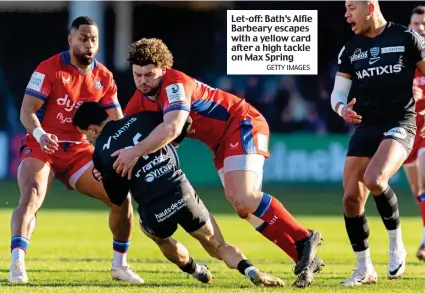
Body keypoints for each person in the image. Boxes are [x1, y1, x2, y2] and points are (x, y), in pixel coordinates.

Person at [97, 37, 324, 288]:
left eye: (149, 74)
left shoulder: (175, 83)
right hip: (219, 144)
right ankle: (303, 255)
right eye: (137, 75)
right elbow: (127, 141)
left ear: (164, 69)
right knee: (242, 207)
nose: (142, 81)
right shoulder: (137, 103)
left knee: (245, 197)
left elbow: (173, 127)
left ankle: (305, 238)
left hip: (241, 123)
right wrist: (105, 168)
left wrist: (134, 152)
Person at [72, 101, 286, 287]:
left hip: (154, 207)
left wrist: (104, 176)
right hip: (181, 190)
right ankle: (250, 270)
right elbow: (184, 122)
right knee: (218, 245)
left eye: (86, 135)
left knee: (158, 236)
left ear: (92, 129)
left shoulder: (100, 151)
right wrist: (171, 146)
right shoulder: (143, 118)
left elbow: (117, 198)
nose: (89, 139)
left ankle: (195, 270)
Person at [9, 16, 143, 283]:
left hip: (79, 151)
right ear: (70, 40)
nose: (89, 44)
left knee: (120, 198)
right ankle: (17, 263)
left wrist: (132, 147)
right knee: (32, 196)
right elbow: (27, 111)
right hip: (42, 144)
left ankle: (120, 265)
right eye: (83, 39)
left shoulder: (103, 76)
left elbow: (116, 122)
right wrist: (41, 134)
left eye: (93, 39)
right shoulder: (49, 68)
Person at [330, 0, 425, 286]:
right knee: (350, 198)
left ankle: (397, 245)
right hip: (366, 126)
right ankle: (364, 269)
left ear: (370, 7)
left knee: (374, 178)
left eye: (351, 8)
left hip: (400, 122)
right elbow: (337, 94)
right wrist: (341, 109)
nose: (346, 16)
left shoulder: (407, 38)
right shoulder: (351, 49)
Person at [403, 5, 425, 261]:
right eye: (415, 23)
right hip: (406, 130)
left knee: (423, 174)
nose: (419, 28)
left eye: (423, 24)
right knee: (417, 189)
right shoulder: (402, 57)